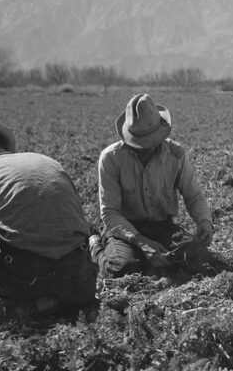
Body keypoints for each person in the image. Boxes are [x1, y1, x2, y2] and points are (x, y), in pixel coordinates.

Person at [0, 120, 96, 328]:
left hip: (24, 279)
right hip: (79, 276)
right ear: (1, 146)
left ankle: (23, 307)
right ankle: (61, 302)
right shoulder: (48, 162)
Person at [92, 94, 214, 278]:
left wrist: (204, 221)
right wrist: (141, 242)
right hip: (124, 230)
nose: (147, 146)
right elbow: (110, 213)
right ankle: (95, 248)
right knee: (124, 269)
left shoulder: (175, 155)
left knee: (199, 259)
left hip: (161, 226)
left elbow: (193, 195)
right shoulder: (111, 158)